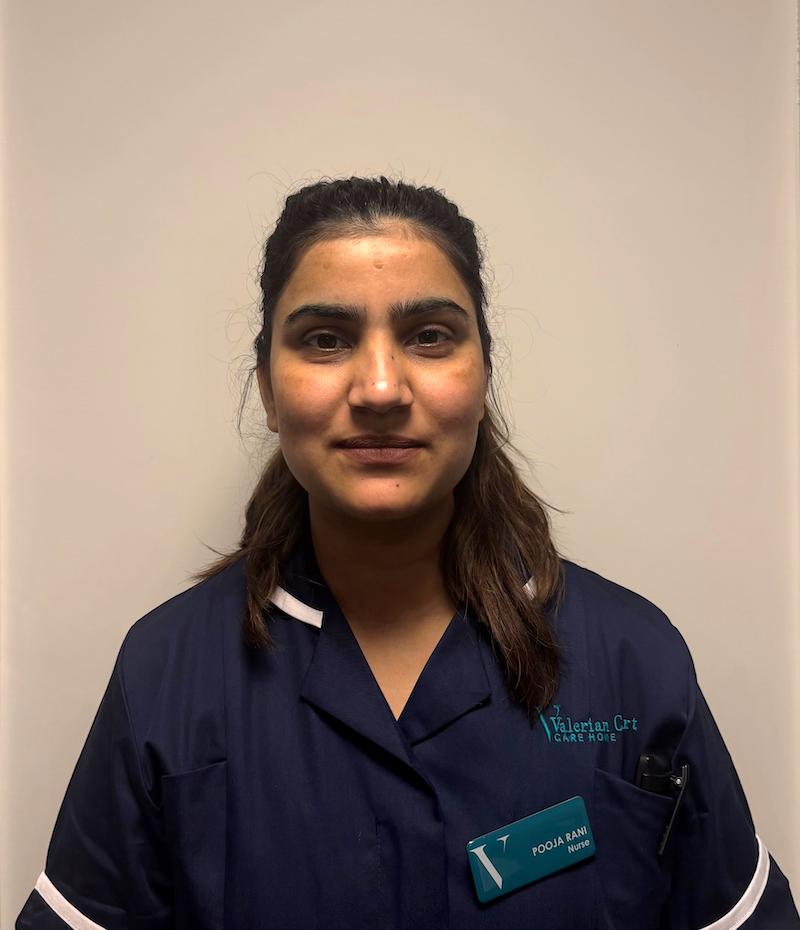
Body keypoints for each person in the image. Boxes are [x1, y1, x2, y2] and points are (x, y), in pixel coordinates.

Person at [16, 176, 799, 930]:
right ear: (268, 387)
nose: (382, 388)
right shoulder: (165, 674)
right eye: (326, 340)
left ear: (483, 375)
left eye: (429, 336)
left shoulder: (634, 661)